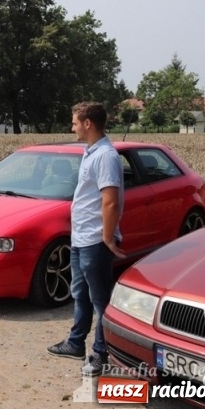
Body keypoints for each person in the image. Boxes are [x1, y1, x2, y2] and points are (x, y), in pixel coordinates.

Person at [47, 101, 126, 377]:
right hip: (81, 238)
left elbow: (110, 201)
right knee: (80, 293)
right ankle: (76, 342)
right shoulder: (91, 152)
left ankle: (101, 353)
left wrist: (107, 237)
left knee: (100, 299)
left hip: (95, 241)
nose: (73, 128)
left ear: (88, 123)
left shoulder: (105, 156)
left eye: (75, 123)